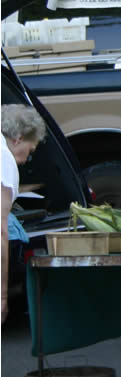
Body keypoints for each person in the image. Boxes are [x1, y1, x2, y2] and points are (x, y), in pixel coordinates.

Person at [2, 104, 46, 325]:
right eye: (30, 151)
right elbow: (1, 231)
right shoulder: (4, 159)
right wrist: (2, 296)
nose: (24, 160)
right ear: (18, 138)